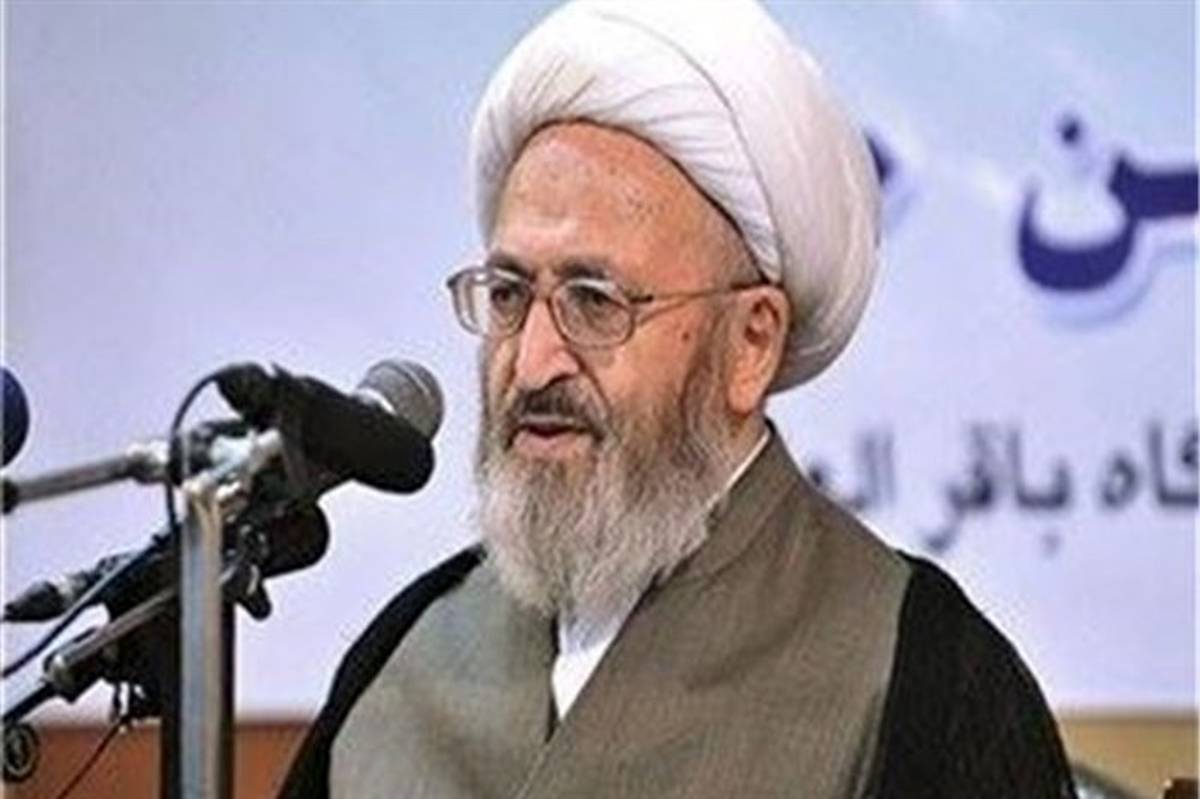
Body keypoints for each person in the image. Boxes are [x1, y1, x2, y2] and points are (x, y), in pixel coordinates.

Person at [281, 1, 1077, 797]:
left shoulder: (922, 677)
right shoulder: (403, 657)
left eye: (595, 300)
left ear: (751, 343)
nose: (532, 361)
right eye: (510, 294)